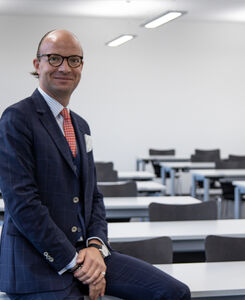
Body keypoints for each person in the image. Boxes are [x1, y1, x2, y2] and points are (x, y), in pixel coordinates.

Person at [0, 29, 191, 300]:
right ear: (37, 64)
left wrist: (95, 246)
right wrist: (75, 261)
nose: (65, 67)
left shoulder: (80, 125)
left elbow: (93, 197)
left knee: (174, 293)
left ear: (81, 66)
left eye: (73, 60)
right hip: (37, 262)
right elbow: (23, 205)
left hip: (86, 254)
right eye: (54, 58)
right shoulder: (16, 119)